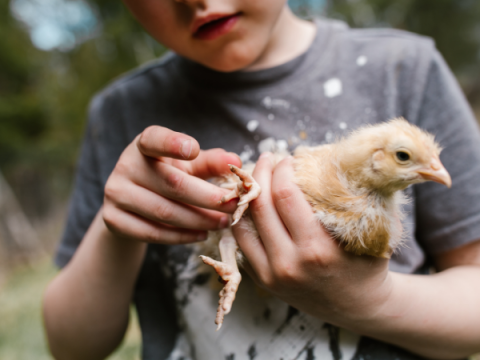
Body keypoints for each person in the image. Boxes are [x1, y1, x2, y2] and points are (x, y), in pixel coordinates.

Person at [43, 0, 480, 359]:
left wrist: (372, 301)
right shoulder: (121, 114)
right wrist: (118, 226)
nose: (197, 1)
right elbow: (71, 347)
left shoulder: (405, 68)